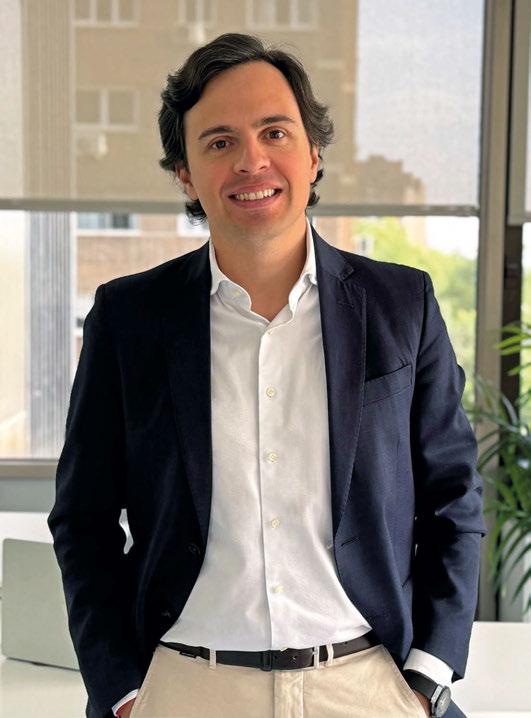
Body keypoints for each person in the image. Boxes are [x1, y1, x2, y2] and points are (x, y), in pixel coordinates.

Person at [48, 32, 487, 718]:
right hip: (185, 688)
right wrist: (123, 692)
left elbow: (453, 499)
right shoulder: (128, 319)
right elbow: (84, 521)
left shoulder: (402, 306)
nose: (250, 160)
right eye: (219, 141)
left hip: (366, 685)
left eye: (274, 132)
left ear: (313, 154)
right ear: (185, 173)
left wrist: (428, 676)